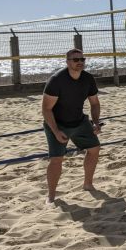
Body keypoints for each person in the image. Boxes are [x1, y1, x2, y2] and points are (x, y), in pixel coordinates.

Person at [41, 49, 101, 204]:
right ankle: (51, 197)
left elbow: (94, 103)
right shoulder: (57, 80)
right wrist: (55, 131)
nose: (79, 62)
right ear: (67, 62)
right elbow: (46, 109)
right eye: (75, 60)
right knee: (56, 159)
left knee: (94, 149)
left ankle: (88, 184)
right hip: (57, 123)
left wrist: (95, 122)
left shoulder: (88, 78)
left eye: (82, 59)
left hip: (79, 121)